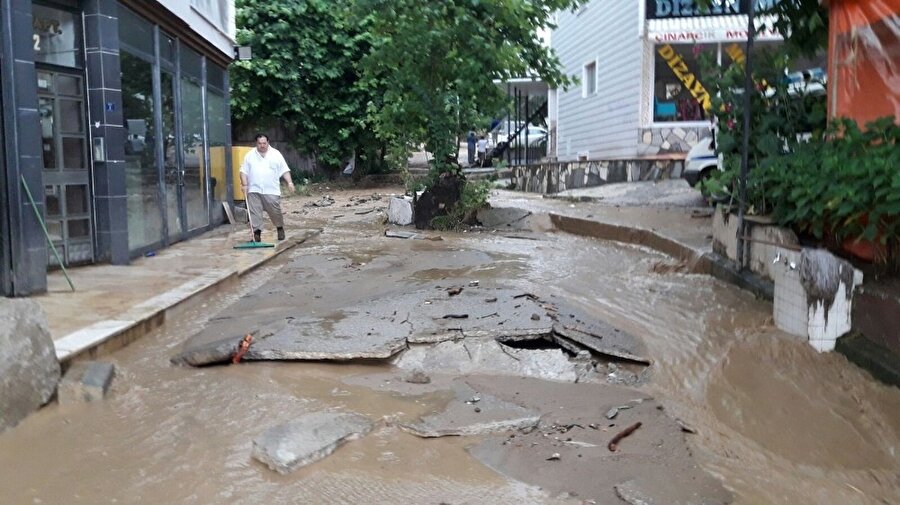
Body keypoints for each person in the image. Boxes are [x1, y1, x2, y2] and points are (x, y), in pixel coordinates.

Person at [239, 133, 295, 241]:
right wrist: (245, 185)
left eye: (264, 143)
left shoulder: (276, 154)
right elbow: (243, 171)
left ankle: (279, 227)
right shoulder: (249, 155)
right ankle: (257, 234)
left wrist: (290, 183)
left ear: (268, 143)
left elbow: (284, 170)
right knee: (255, 212)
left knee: (275, 211)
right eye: (260, 143)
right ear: (256, 143)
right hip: (254, 189)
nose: (262, 145)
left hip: (271, 190)